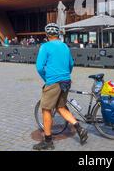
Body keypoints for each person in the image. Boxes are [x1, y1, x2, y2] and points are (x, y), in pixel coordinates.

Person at [33, 23, 88, 151]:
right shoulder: (64, 46)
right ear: (58, 34)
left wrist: (47, 79)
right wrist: (66, 75)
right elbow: (71, 64)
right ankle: (79, 128)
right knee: (60, 107)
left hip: (53, 81)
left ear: (47, 35)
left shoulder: (45, 46)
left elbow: (40, 67)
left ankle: (48, 141)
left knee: (46, 109)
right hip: (66, 80)